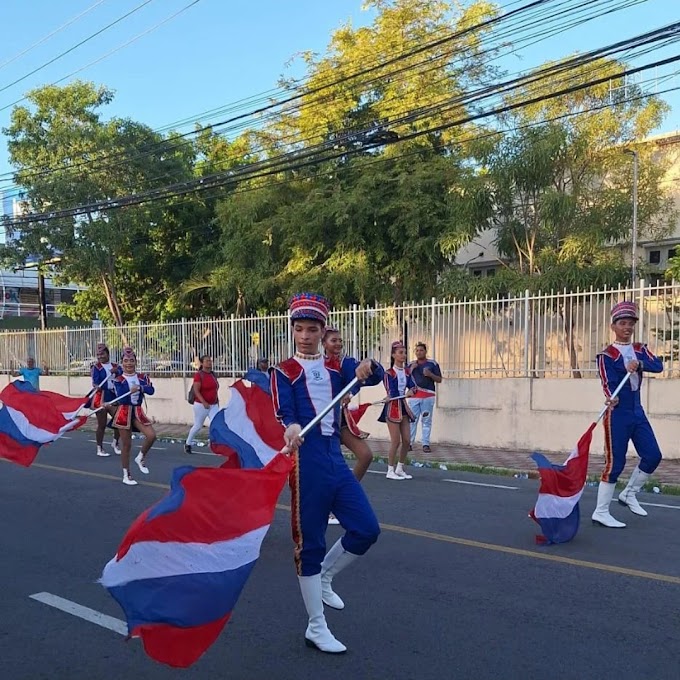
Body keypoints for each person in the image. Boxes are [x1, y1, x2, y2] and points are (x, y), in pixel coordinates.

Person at [271, 292, 384, 654]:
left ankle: (327, 578)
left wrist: (369, 366)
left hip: (335, 458)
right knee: (311, 546)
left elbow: (370, 374)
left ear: (323, 331)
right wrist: (290, 428)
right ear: (292, 330)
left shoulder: (338, 366)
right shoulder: (284, 371)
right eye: (299, 329)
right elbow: (284, 412)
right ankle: (316, 627)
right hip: (306, 463)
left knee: (367, 528)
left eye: (312, 329)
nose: (305, 335)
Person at [591, 301, 664, 528]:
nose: (627, 327)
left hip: (637, 411)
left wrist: (639, 363)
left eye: (630, 323)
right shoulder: (606, 355)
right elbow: (607, 382)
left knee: (653, 455)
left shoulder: (640, 349)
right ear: (613, 326)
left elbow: (658, 366)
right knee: (615, 463)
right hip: (618, 413)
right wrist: (611, 396)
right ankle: (601, 512)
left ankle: (629, 493)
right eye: (622, 323)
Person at [322, 327, 375, 525]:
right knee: (329, 467)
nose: (338, 344)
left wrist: (369, 363)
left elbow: (367, 376)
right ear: (324, 343)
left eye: (340, 341)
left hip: (341, 419)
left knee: (366, 455)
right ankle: (325, 508)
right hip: (321, 423)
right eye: (333, 341)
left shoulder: (347, 362)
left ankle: (341, 501)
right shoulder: (317, 365)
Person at [111, 347, 157, 486]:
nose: (129, 363)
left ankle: (141, 457)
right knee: (127, 445)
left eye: (131, 360)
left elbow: (151, 390)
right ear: (122, 363)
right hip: (124, 412)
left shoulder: (143, 377)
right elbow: (121, 397)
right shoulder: (118, 379)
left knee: (151, 435)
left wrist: (141, 388)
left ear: (136, 362)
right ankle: (126, 474)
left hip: (137, 411)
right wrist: (129, 391)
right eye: (126, 361)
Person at [379, 341, 416, 480]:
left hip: (403, 407)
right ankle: (390, 470)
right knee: (396, 441)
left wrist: (412, 390)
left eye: (405, 352)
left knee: (407, 440)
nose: (404, 355)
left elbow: (414, 386)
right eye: (400, 353)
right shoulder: (388, 373)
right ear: (394, 355)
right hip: (392, 408)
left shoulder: (407, 371)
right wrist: (392, 396)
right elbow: (391, 391)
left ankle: (400, 468)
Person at [408, 342, 442, 453]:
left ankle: (425, 444)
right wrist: (411, 369)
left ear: (425, 351)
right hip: (414, 396)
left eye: (421, 350)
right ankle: (409, 443)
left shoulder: (432, 364)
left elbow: (439, 379)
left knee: (426, 420)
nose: (419, 352)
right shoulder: (411, 364)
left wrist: (430, 374)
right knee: (412, 420)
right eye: (417, 351)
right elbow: (405, 378)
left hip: (428, 396)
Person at [184, 355, 220, 455]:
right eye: (207, 361)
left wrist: (216, 401)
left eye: (210, 361)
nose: (209, 362)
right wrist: (203, 401)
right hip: (201, 405)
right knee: (198, 425)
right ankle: (188, 443)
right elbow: (196, 390)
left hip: (213, 404)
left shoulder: (213, 374)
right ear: (202, 363)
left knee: (216, 424)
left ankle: (215, 444)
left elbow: (215, 389)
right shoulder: (199, 375)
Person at [90, 343, 122, 457]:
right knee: (101, 424)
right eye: (98, 355)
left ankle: (115, 443)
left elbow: (122, 374)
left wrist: (117, 371)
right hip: (101, 396)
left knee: (119, 420)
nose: (100, 356)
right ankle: (99, 447)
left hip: (114, 396)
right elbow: (95, 380)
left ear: (107, 354)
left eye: (102, 354)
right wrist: (96, 385)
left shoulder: (115, 365)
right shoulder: (96, 367)